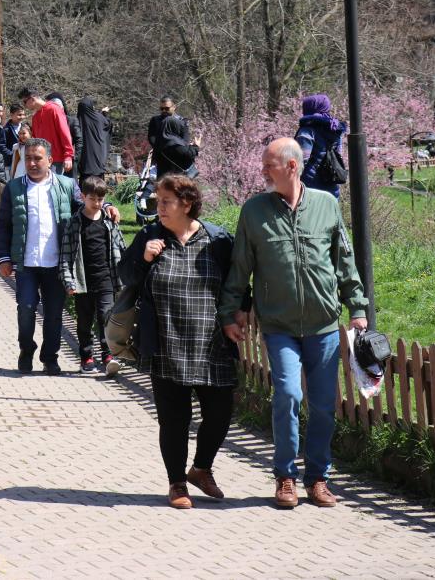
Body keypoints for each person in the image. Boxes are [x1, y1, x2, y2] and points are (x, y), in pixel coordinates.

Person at [219, 137, 369, 509]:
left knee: (322, 405)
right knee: (287, 394)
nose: (263, 171)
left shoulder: (326, 205)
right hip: (278, 324)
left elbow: (344, 262)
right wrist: (230, 311)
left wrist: (358, 307)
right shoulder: (254, 211)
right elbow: (240, 267)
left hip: (322, 324)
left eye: (269, 165)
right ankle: (285, 476)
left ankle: (318, 478)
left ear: (291, 166)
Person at [121, 174, 243, 509]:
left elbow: (235, 283)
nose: (158, 208)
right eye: (157, 201)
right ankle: (177, 483)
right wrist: (142, 259)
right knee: (173, 419)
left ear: (186, 204)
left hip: (211, 343)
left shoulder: (217, 240)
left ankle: (201, 468)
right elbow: (126, 277)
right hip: (166, 342)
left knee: (220, 413)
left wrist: (238, 314)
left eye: (165, 202)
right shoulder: (150, 236)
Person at [0, 138, 119, 375]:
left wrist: (108, 206)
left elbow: (87, 204)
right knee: (26, 310)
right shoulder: (14, 187)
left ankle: (49, 358)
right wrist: (3, 257)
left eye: (37, 158)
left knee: (53, 315)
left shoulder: (66, 184)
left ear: (50, 160)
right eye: (28, 158)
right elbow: (4, 226)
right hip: (26, 263)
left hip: (57, 263)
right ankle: (26, 349)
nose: (32, 163)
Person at [60, 175, 126, 375]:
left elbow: (120, 247)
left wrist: (124, 274)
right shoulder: (75, 223)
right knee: (84, 320)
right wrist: (68, 280)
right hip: (83, 281)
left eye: (100, 199)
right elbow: (66, 255)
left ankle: (108, 355)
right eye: (92, 199)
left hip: (106, 277)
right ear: (83, 197)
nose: (97, 203)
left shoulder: (109, 221)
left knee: (106, 317)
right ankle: (86, 357)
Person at [295, 94, 347, 199]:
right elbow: (338, 154)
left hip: (310, 186)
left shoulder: (307, 130)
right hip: (331, 182)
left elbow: (300, 161)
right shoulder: (335, 129)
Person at [17, 87, 74, 175]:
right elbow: (36, 140)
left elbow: (64, 133)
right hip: (40, 159)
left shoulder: (54, 109)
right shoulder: (35, 117)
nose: (25, 106)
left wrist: (68, 155)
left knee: (53, 187)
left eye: (25, 102)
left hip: (56, 160)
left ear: (32, 99)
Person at [147, 95, 199, 179]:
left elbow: (185, 140)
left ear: (174, 107)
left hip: (178, 158)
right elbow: (151, 137)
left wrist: (174, 146)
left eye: (167, 108)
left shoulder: (182, 121)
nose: (164, 111)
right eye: (161, 109)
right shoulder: (155, 120)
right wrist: (162, 146)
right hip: (162, 158)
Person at [76, 97, 113, 184]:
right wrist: (104, 113)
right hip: (97, 160)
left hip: (84, 163)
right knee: (98, 187)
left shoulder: (77, 120)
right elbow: (107, 123)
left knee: (85, 187)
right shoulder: (98, 118)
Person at [45, 92, 82, 178]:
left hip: (69, 160)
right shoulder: (48, 122)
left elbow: (79, 141)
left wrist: (74, 158)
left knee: (70, 185)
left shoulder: (72, 121)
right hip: (53, 160)